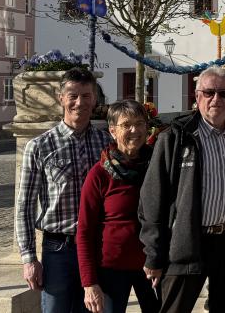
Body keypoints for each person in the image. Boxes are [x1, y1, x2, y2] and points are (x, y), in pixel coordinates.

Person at [139, 66, 225, 313]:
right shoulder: (176, 137)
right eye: (209, 93)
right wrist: (153, 255)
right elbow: (152, 199)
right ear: (197, 96)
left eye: (224, 93)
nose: (216, 99)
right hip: (186, 244)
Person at [15, 68, 112, 313]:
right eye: (73, 96)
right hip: (59, 249)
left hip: (97, 246)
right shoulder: (39, 146)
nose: (80, 102)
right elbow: (25, 206)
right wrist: (29, 258)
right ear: (61, 98)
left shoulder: (106, 145)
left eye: (86, 96)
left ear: (94, 99)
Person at [76, 99, 160, 313]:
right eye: (126, 125)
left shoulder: (158, 167)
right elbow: (84, 231)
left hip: (154, 266)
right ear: (112, 131)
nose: (135, 130)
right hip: (111, 269)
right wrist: (89, 283)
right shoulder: (99, 174)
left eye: (140, 123)